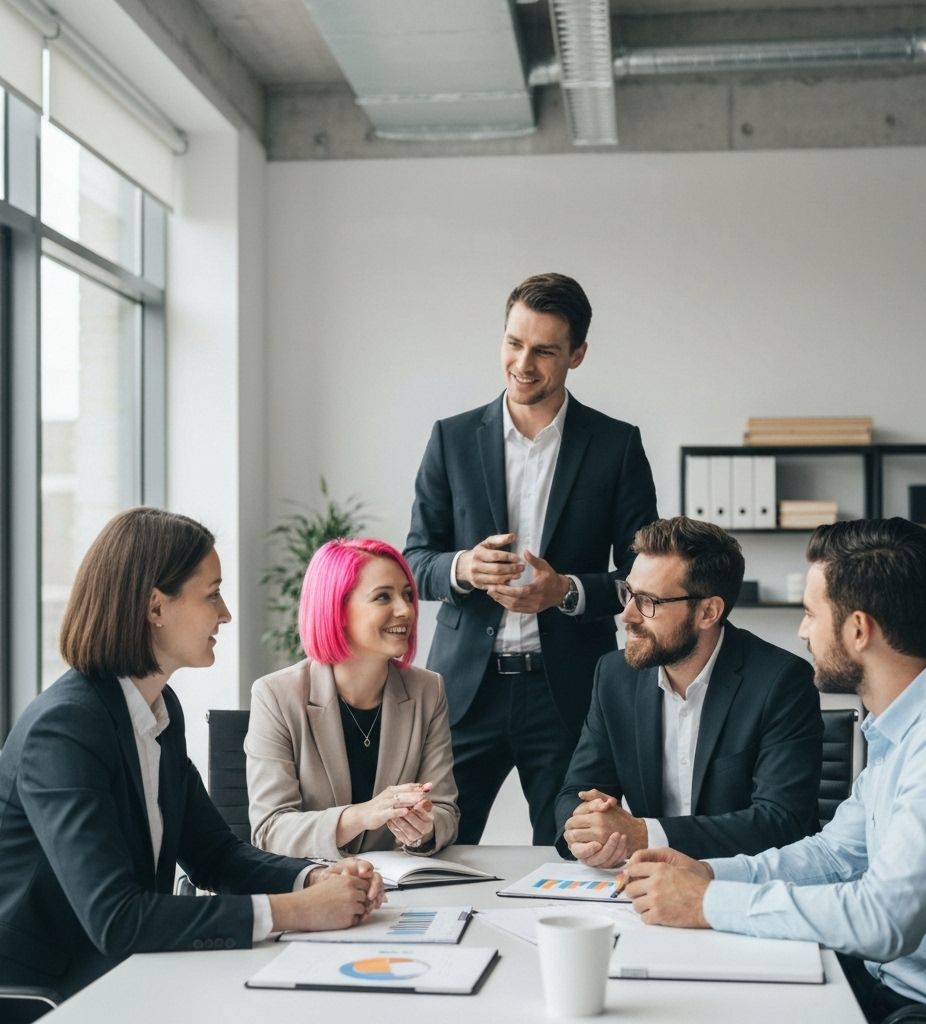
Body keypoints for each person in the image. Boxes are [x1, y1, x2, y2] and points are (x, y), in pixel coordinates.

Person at [621, 518, 926, 1022]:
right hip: (885, 987)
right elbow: (835, 857)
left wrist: (707, 902)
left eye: (811, 614)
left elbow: (883, 921)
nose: (802, 631)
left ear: (858, 630)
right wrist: (708, 872)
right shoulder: (904, 727)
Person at [0, 508, 384, 1008]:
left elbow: (213, 854)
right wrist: (297, 910)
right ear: (155, 607)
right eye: (212, 594)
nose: (225, 614)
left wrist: (312, 878)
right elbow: (117, 919)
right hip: (46, 993)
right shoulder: (65, 728)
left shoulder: (159, 709)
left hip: (122, 972)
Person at [404, 272, 658, 845]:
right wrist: (462, 568)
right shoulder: (451, 438)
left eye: (544, 350)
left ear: (577, 354)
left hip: (568, 695)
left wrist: (566, 591)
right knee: (434, 851)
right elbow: (414, 561)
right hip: (464, 694)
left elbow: (645, 578)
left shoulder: (616, 446)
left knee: (575, 856)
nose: (523, 364)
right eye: (514, 343)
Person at [556, 516, 822, 865]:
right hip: (644, 885)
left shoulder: (781, 681)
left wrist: (645, 834)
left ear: (708, 612)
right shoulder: (614, 676)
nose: (627, 615)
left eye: (648, 601)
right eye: (628, 593)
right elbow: (576, 792)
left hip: (739, 883)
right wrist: (585, 831)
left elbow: (782, 821)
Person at [246, 538, 459, 859]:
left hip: (395, 882)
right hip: (313, 881)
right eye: (383, 596)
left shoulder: (428, 689)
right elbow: (270, 830)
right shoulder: (275, 695)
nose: (406, 610)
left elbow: (444, 810)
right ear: (337, 609)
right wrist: (362, 815)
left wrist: (424, 830)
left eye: (407, 595)